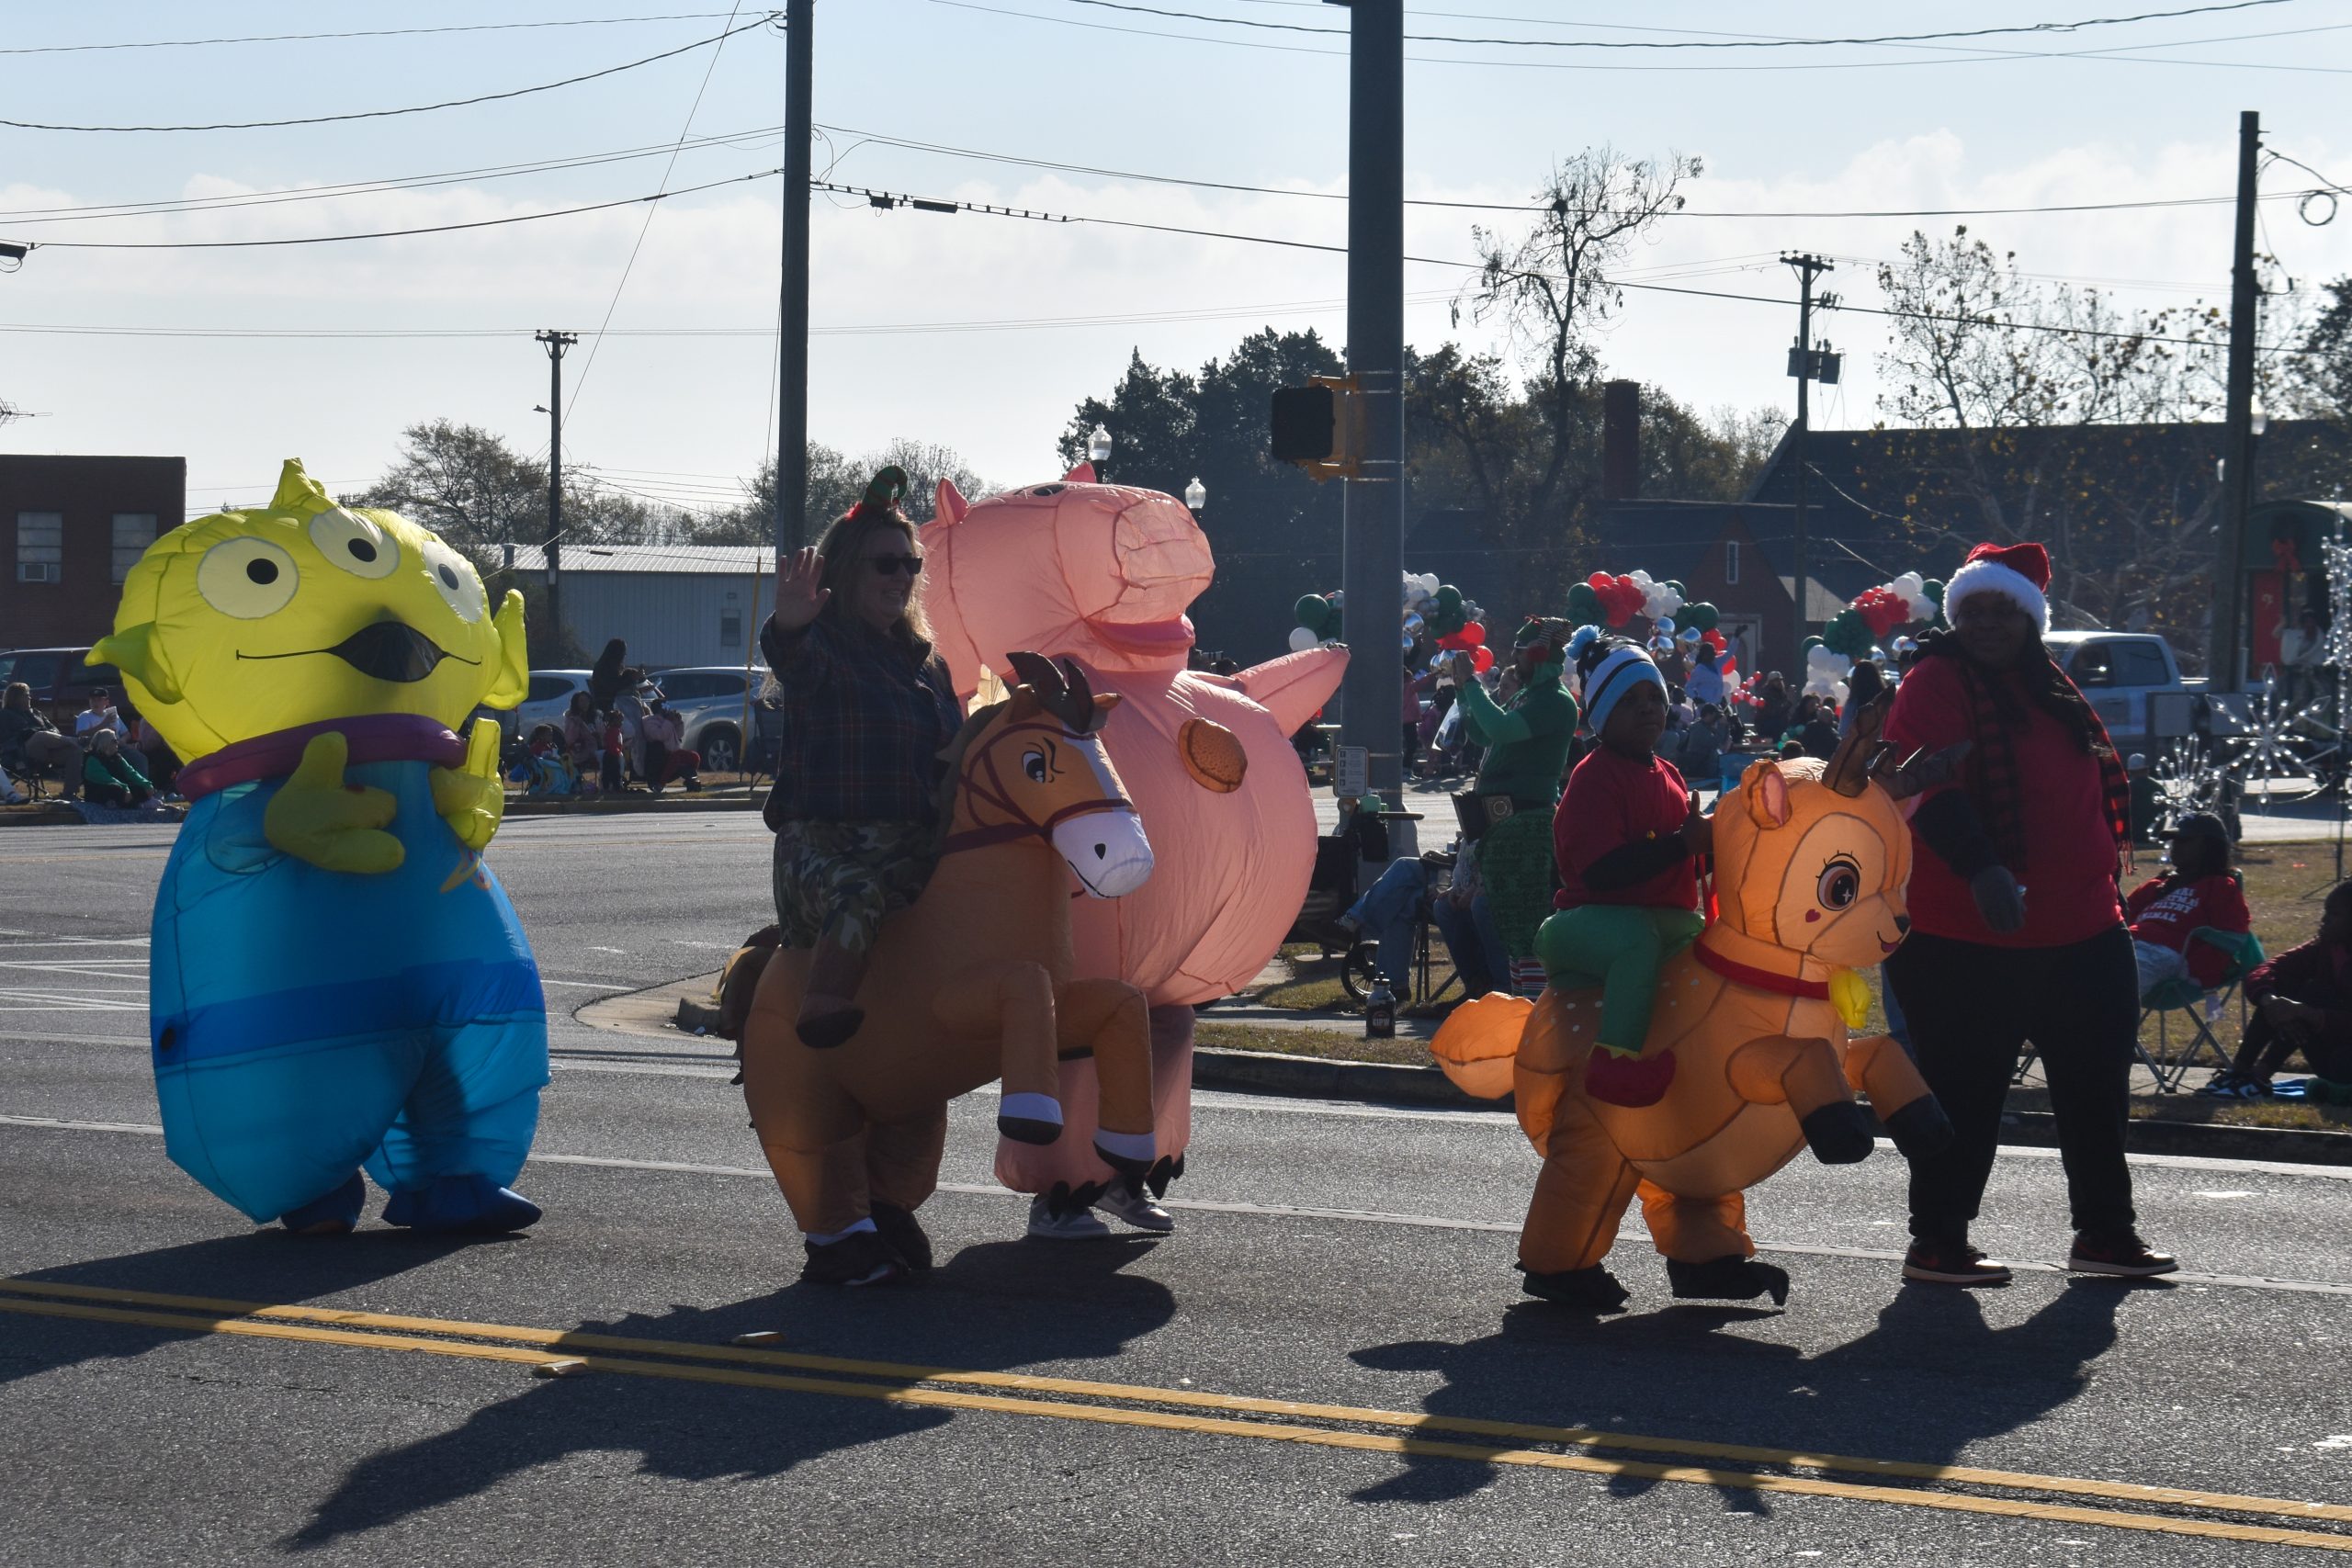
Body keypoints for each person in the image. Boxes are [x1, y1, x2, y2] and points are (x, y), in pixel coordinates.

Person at [1883, 540, 2176, 1286]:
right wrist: (1982, 867)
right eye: (1974, 610)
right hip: (1966, 933)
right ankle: (1939, 1240)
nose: (1987, 623)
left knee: (2096, 1088)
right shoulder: (1935, 680)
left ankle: (2105, 1232)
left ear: (2029, 619)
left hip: (2085, 926)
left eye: (2003, 610)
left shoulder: (2049, 684)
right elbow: (1928, 788)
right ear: (1956, 616)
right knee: (1965, 1093)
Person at [762, 465, 962, 1051]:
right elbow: (793, 657)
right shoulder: (822, 647)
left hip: (912, 850)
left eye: (911, 564)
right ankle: (823, 1002)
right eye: (886, 564)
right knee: (858, 892)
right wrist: (790, 624)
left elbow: (955, 759)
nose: (901, 576)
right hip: (822, 850)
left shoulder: (929, 665)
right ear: (847, 570)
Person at [1538, 639, 1709, 1106]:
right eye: (1628, 700)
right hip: (1586, 923)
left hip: (1657, 920)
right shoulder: (1593, 777)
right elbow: (1603, 873)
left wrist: (1723, 839)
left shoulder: (1670, 774)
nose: (1647, 708)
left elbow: (1687, 858)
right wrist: (1683, 844)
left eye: (1654, 696)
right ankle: (1614, 1062)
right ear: (1602, 715)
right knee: (1636, 939)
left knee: (1715, 946)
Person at [1449, 618, 1581, 967]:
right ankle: (1480, 984)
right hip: (1501, 819)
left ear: (1538, 654)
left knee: (1492, 908)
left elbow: (1500, 729)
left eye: (1520, 651)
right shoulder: (1527, 696)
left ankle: (1505, 985)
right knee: (1453, 908)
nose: (1514, 657)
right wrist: (1462, 691)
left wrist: (1472, 683)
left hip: (1527, 818)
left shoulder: (1555, 701)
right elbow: (1481, 733)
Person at [2206, 881, 2352, 1097]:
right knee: (2281, 986)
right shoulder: (2327, 946)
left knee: (2313, 994)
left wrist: (2307, 1013)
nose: (2324, 920)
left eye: (2334, 914)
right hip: (2328, 1046)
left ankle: (2259, 1078)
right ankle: (2239, 1071)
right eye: (2325, 912)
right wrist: (2270, 1001)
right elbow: (2265, 969)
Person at [2122, 812, 2250, 998]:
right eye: (2174, 841)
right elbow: (2119, 918)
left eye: (2185, 841)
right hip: (2127, 944)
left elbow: (2231, 935)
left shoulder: (2219, 886)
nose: (2175, 846)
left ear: (2209, 847)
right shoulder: (2158, 885)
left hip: (2164, 953)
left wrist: (2194, 969)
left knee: (2112, 991)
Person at [2, 682, 83, 800]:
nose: (30, 697)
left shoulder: (36, 713)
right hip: (22, 751)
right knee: (40, 735)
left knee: (75, 751)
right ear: (16, 697)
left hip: (48, 749)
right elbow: (5, 740)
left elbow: (54, 729)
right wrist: (27, 733)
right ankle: (78, 740)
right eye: (26, 695)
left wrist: (47, 732)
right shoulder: (5, 715)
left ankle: (70, 794)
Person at [637, 696, 703, 795]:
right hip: (661, 755)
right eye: (666, 707)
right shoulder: (649, 721)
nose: (668, 709)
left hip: (674, 753)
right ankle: (660, 784)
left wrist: (678, 722)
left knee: (694, 756)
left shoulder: (666, 721)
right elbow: (659, 736)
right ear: (661, 709)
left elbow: (679, 734)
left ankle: (690, 779)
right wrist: (668, 721)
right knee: (676, 756)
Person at [80, 728, 154, 807]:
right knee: (116, 789)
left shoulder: (117, 757)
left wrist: (146, 784)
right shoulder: (92, 759)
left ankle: (133, 802)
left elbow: (131, 772)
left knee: (140, 788)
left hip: (120, 786)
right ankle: (135, 803)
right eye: (114, 741)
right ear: (105, 742)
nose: (117, 743)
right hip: (98, 791)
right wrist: (125, 788)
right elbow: (107, 779)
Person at [561, 692, 603, 790]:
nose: (585, 703)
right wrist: (578, 725)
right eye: (581, 701)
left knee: (612, 756)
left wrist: (598, 736)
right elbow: (570, 738)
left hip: (596, 747)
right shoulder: (572, 719)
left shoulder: (596, 717)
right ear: (576, 703)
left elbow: (602, 733)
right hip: (579, 749)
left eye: (587, 700)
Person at [1840, 661, 1886, 739]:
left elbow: (1843, 730)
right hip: (1884, 743)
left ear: (1855, 680)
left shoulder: (1853, 703)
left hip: (1859, 744)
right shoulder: (1886, 701)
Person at [1752, 672, 1792, 743]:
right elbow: (1773, 712)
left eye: (1780, 680)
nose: (1780, 682)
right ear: (1770, 682)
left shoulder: (1782, 694)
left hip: (1778, 727)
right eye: (1776, 680)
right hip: (1766, 726)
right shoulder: (1766, 695)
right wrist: (1788, 703)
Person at [597, 710, 627, 794]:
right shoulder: (614, 731)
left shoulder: (612, 731)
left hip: (611, 753)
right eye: (620, 721)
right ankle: (615, 787)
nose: (621, 723)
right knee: (614, 771)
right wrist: (617, 751)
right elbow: (613, 744)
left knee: (608, 771)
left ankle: (608, 787)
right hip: (612, 754)